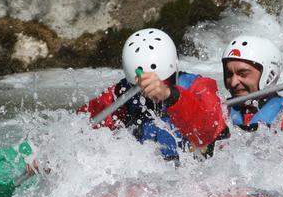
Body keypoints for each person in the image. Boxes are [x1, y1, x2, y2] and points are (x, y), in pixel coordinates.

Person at [79, 29, 227, 159]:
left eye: (162, 82)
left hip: (194, 167)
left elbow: (206, 134)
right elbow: (78, 124)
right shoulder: (121, 93)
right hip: (147, 171)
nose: (151, 93)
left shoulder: (199, 87)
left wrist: (170, 95)